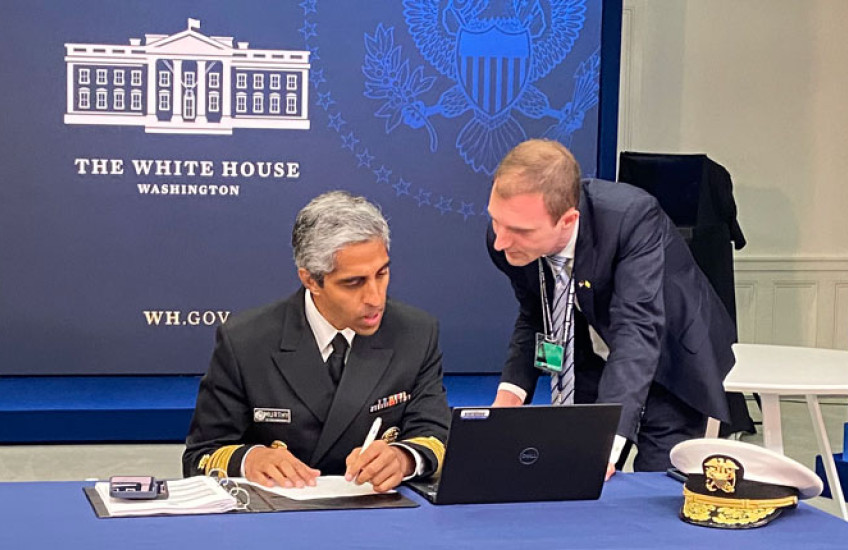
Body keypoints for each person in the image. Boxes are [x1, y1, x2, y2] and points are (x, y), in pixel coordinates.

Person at [486, 139, 736, 476]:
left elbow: (637, 330)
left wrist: (607, 441)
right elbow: (537, 315)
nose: (501, 240)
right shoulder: (504, 239)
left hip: (672, 366)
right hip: (593, 362)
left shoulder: (632, 218)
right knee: (576, 481)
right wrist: (510, 395)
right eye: (496, 221)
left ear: (567, 220)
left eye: (519, 230)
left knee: (656, 491)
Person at [183, 191, 450, 493]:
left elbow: (435, 435)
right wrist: (250, 458)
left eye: (382, 273)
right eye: (354, 282)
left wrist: (403, 458)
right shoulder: (245, 342)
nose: (376, 298)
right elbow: (199, 456)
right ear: (311, 280)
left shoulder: (415, 333)